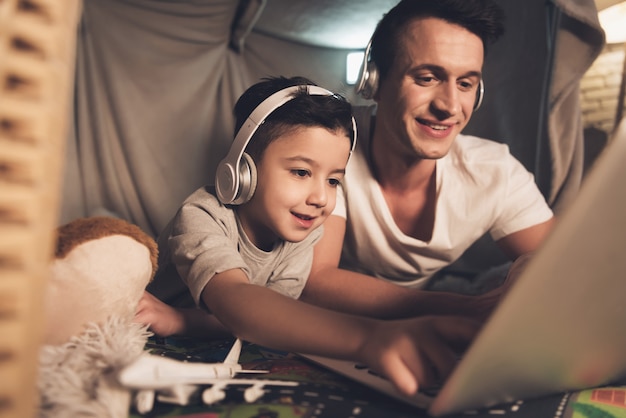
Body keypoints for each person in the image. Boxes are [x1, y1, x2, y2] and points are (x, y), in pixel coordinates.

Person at [136, 76, 481, 395]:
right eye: (301, 172)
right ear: (242, 172)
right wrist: (368, 337)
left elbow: (258, 320)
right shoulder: (202, 215)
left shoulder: (304, 235)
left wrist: (181, 321)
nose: (321, 198)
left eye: (333, 180)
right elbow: (236, 301)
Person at [299, 0, 555, 319]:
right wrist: (463, 307)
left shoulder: (495, 171)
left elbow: (565, 269)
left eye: (465, 84)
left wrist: (529, 273)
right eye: (427, 78)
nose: (449, 106)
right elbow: (316, 281)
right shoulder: (331, 144)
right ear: (374, 82)